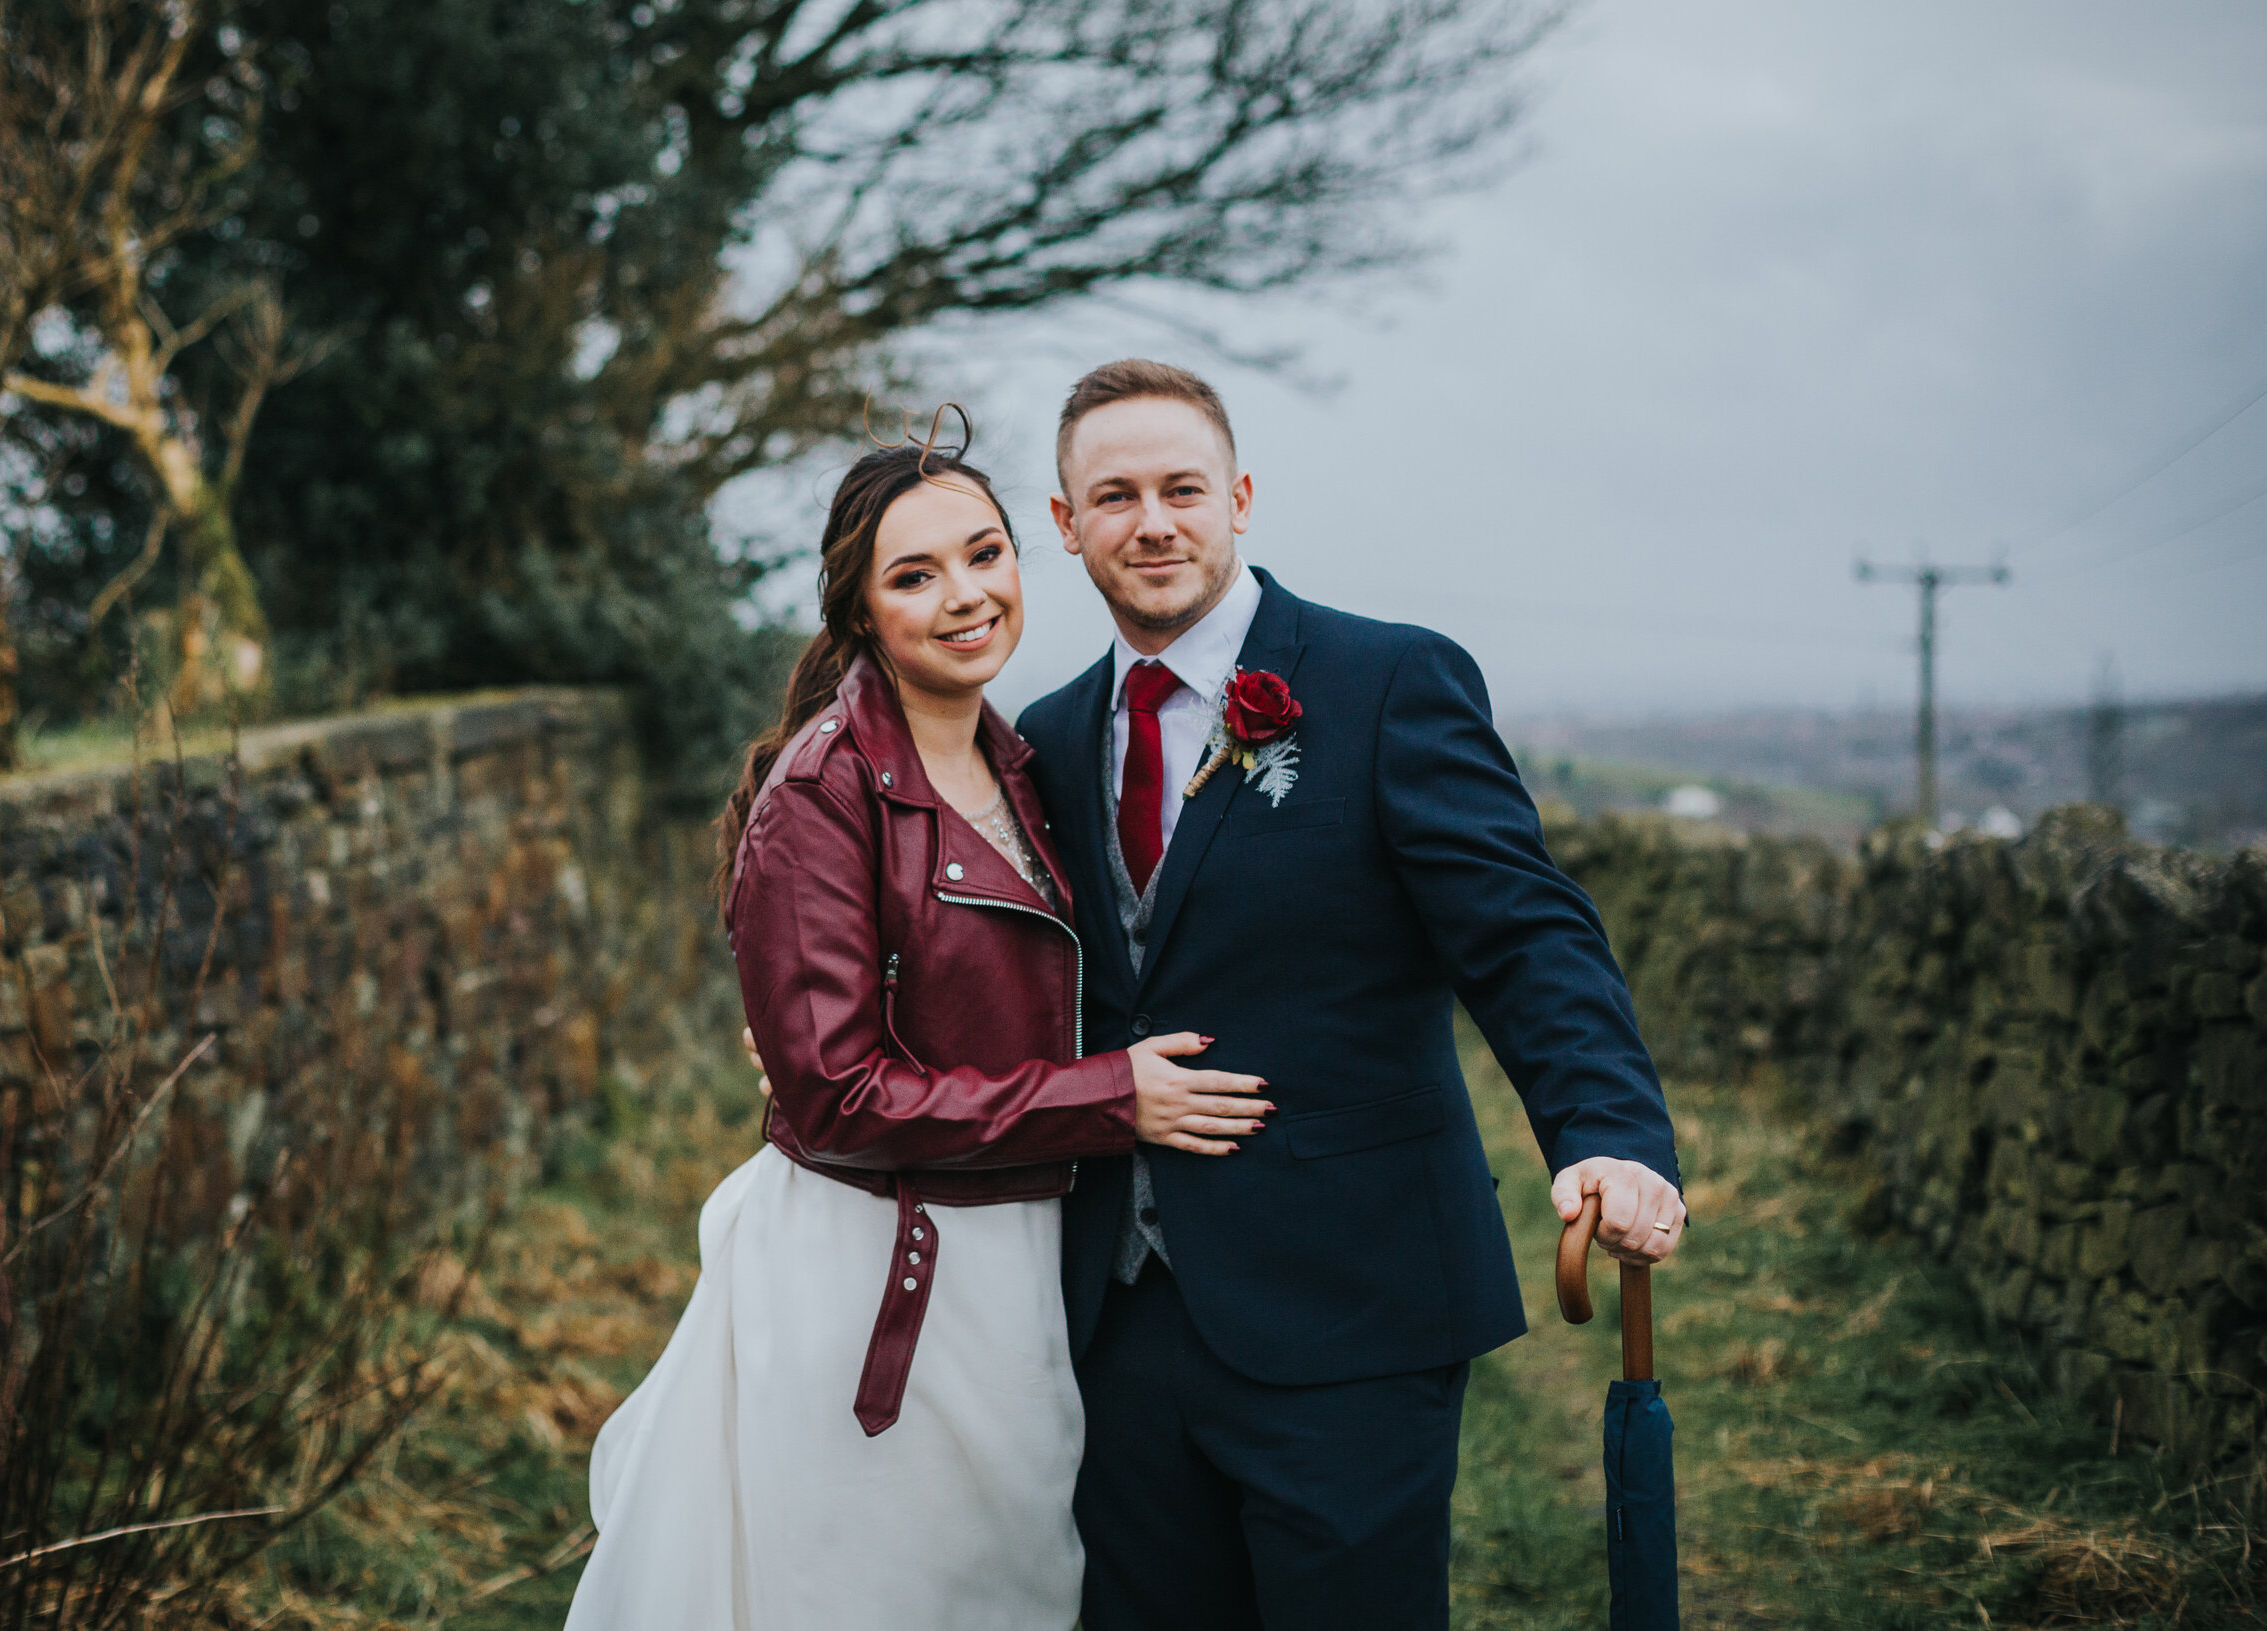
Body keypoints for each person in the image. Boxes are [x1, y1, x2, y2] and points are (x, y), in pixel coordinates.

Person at [1013, 359, 1688, 1630]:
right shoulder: (1040, 738)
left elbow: (1525, 931)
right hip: (1115, 1309)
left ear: (1241, 497)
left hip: (1353, 1299)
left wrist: (1605, 1131)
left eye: (1180, 488)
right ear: (1065, 524)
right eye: (1113, 495)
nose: (1150, 520)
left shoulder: (1386, 683)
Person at [560, 428, 1272, 1631]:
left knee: (1011, 1587)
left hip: (1020, 1258)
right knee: (879, 1590)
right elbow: (839, 1095)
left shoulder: (1029, 759)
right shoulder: (820, 795)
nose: (963, 596)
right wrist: (1111, 1098)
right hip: (878, 1270)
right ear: (859, 610)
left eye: (983, 554)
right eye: (913, 575)